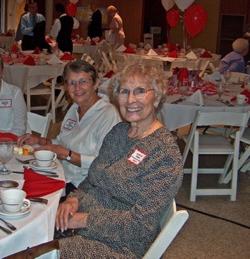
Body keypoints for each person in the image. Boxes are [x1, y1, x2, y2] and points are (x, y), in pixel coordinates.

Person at [55, 62, 183, 258]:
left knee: (38, 252)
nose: (131, 100)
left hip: (119, 245)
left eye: (140, 91)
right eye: (124, 92)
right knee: (26, 234)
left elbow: (140, 225)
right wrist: (73, 199)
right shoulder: (119, 132)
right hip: (83, 224)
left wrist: (84, 220)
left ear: (156, 98)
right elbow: (92, 179)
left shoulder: (164, 153)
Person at [18, 60, 120, 192]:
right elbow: (62, 142)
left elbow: (105, 164)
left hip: (83, 186)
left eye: (83, 81)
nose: (77, 88)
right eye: (72, 83)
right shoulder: (75, 108)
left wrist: (67, 155)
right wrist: (39, 140)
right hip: (60, 174)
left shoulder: (107, 115)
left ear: (95, 83)